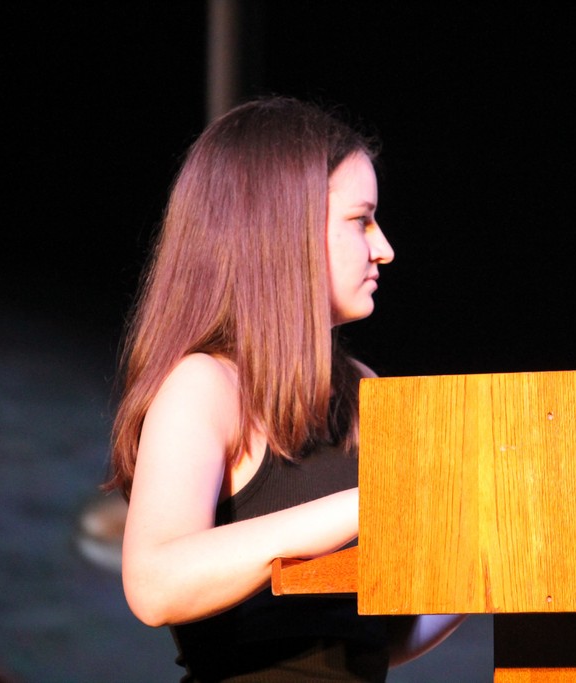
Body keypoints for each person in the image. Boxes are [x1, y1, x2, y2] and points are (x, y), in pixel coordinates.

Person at [107, 96, 463, 681]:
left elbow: (374, 638)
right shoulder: (205, 386)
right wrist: (371, 504)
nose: (384, 248)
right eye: (361, 220)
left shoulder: (363, 392)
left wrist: (498, 548)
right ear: (286, 230)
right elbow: (154, 583)